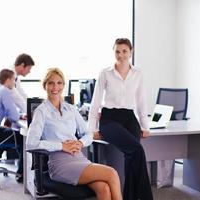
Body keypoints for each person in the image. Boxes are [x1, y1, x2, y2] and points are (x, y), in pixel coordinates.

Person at [26, 68, 123, 200]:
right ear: (45, 86)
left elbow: (88, 134)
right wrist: (61, 146)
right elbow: (31, 143)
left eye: (59, 83)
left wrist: (80, 142)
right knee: (112, 173)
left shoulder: (71, 109)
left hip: (79, 159)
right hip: (60, 164)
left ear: (63, 85)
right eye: (51, 83)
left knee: (104, 188)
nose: (55, 87)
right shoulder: (41, 112)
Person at [88, 38, 153, 200]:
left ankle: (130, 196)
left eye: (124, 51)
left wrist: (145, 126)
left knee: (131, 156)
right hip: (109, 118)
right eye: (117, 51)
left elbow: (141, 101)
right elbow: (95, 101)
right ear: (114, 52)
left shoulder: (138, 74)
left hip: (130, 118)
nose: (121, 55)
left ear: (131, 52)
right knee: (136, 150)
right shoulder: (105, 73)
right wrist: (92, 129)